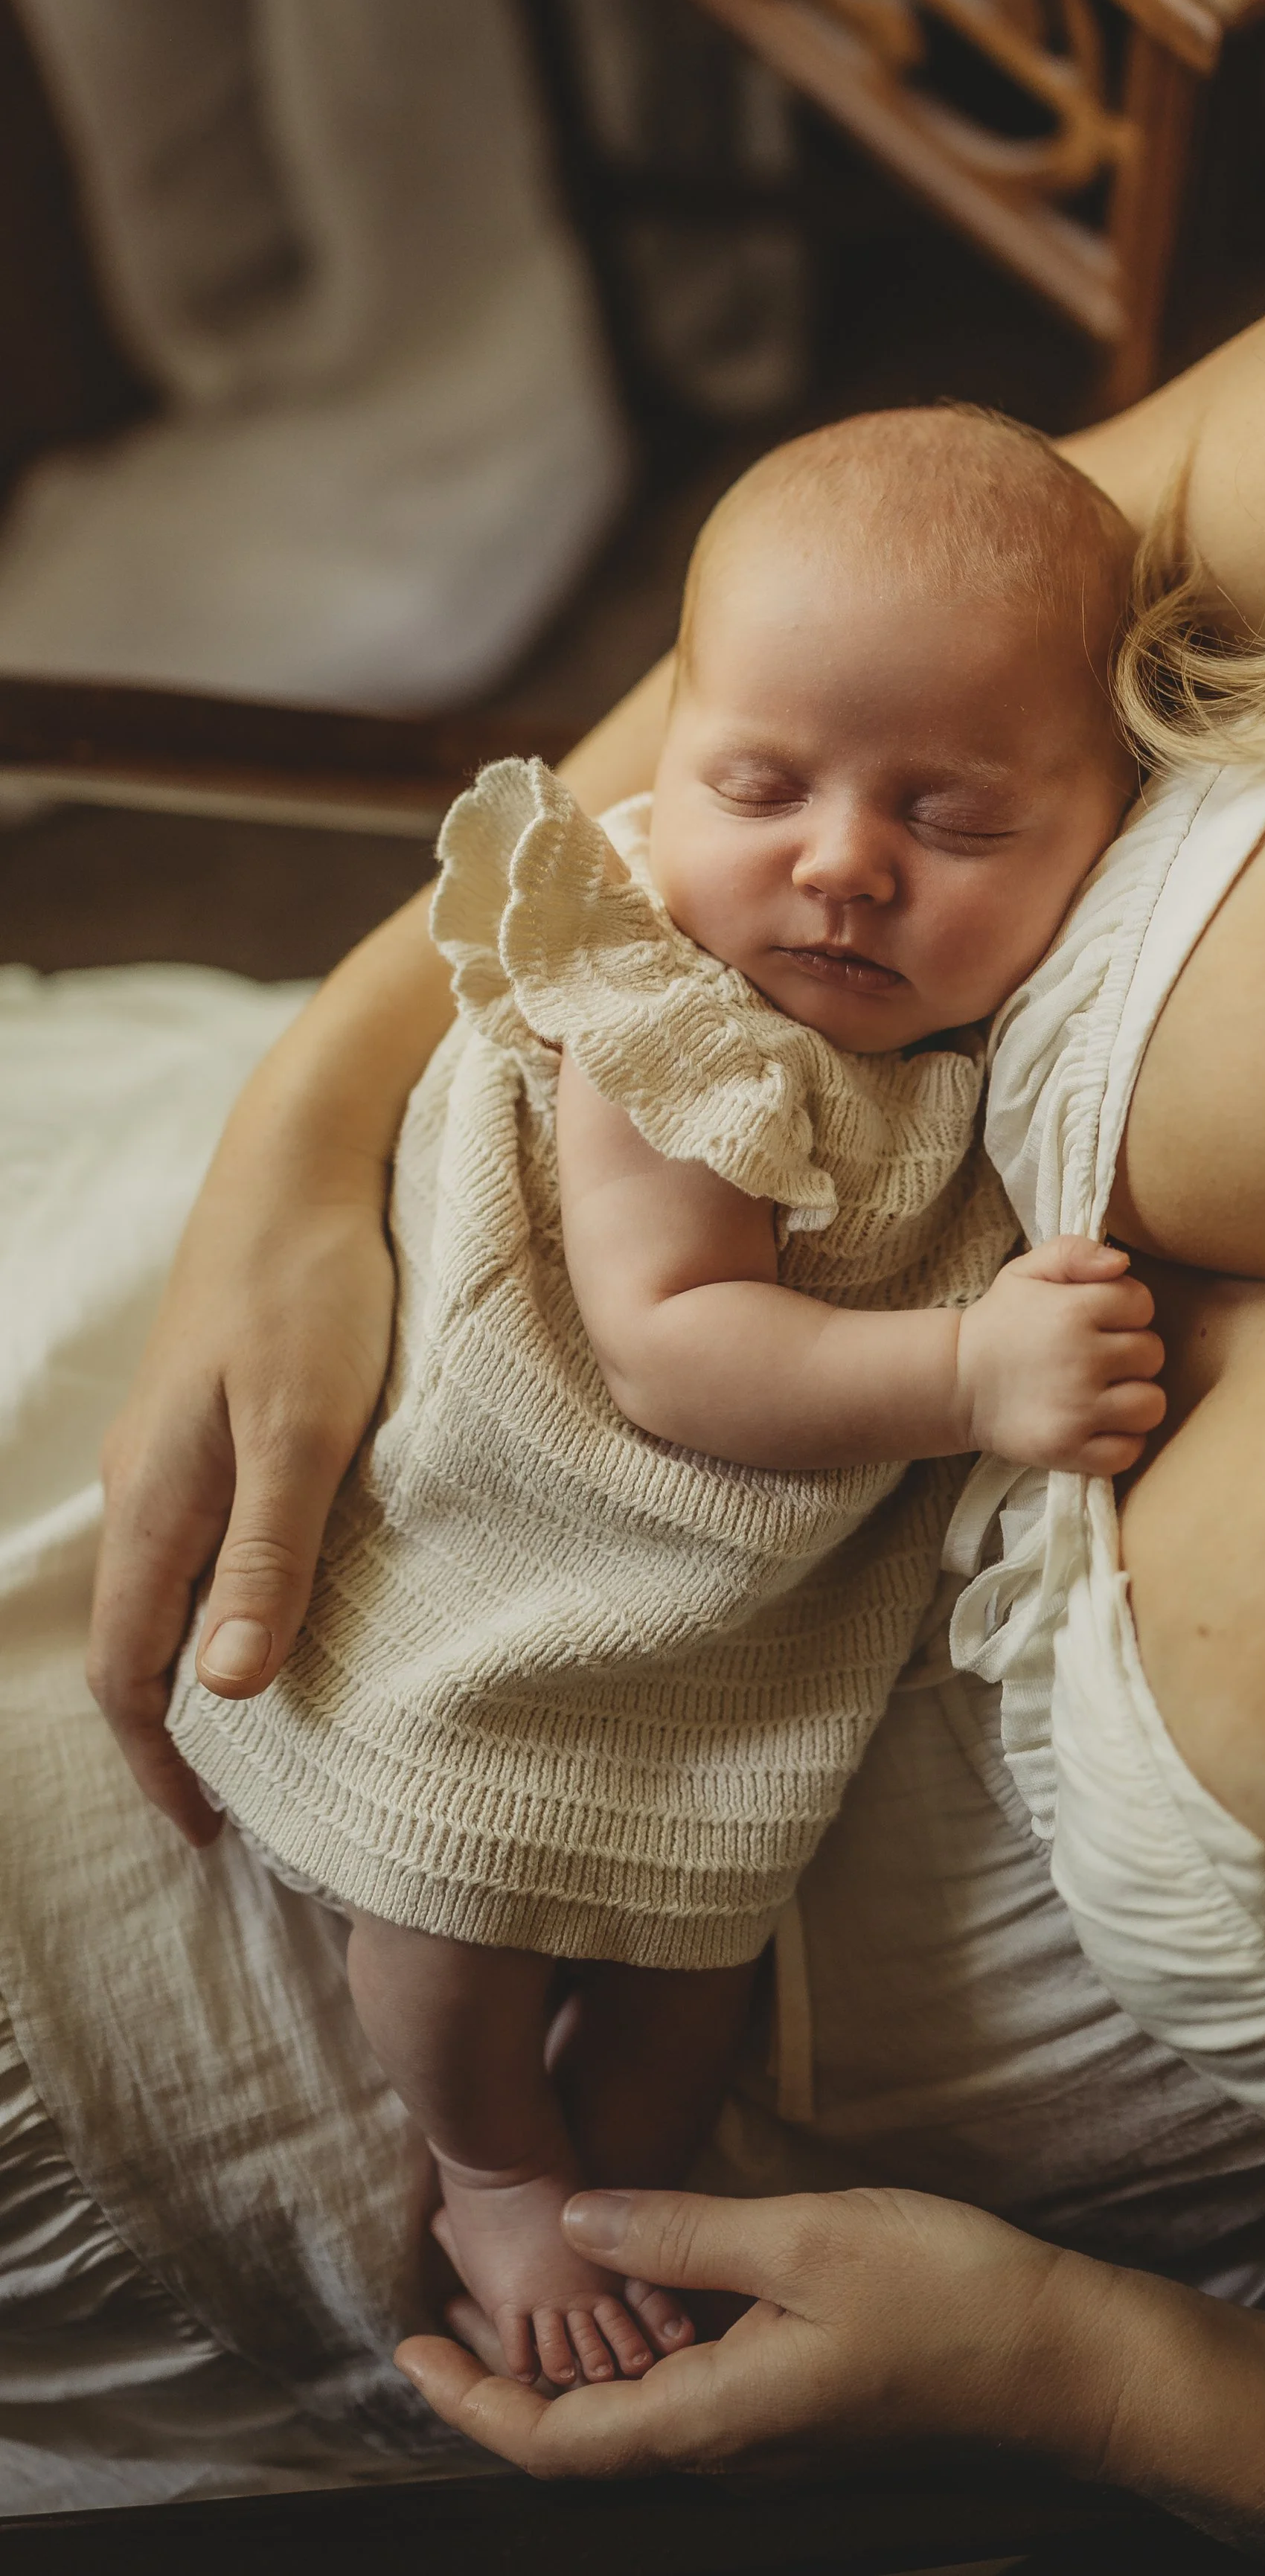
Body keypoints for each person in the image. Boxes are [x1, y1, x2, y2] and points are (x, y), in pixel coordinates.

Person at [25, 0, 1265, 2558]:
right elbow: (892, 583)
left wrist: (1113, 2389)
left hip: (570, 2226)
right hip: (272, 1388)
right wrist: (308, 1139)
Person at [165, 406, 1159, 2395]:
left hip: (729, 1601)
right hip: (513, 1534)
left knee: (699, 1931)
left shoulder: (969, 1022)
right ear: (669, 748)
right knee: (450, 1888)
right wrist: (969, 1365)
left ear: (1110, 826)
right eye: (757, 780)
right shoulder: (666, 1007)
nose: (839, 867)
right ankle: (490, 2166)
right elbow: (673, 1343)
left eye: (953, 821)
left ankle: (621, 2189)